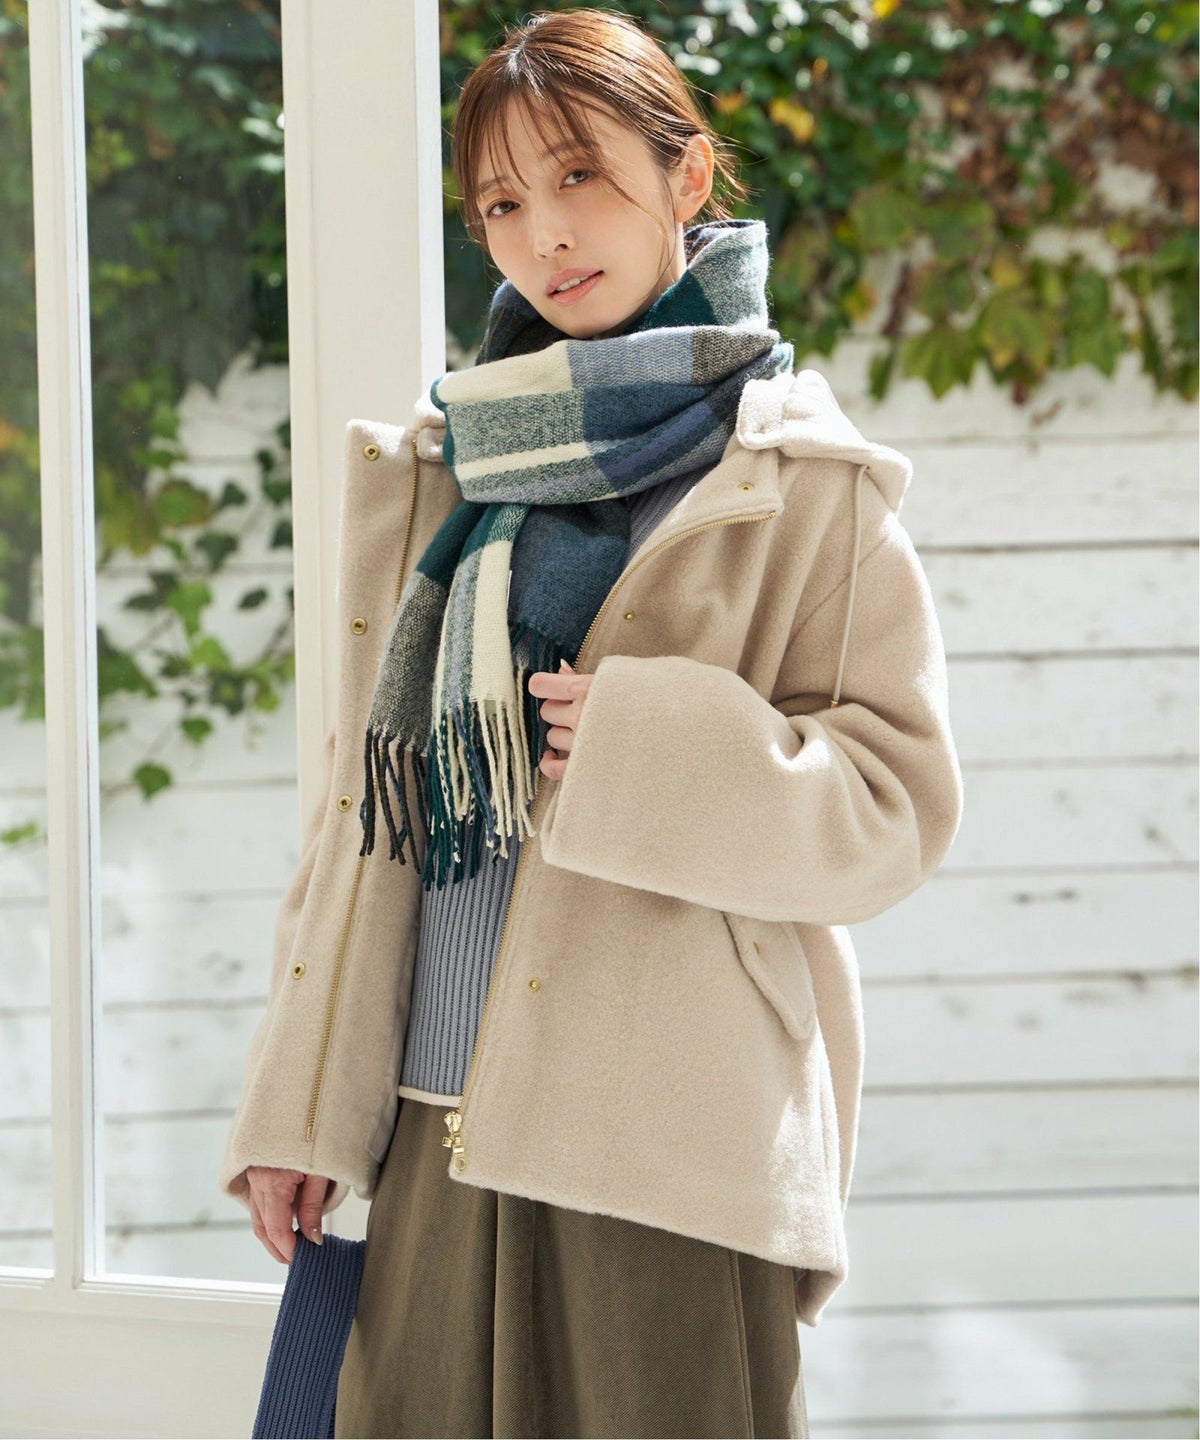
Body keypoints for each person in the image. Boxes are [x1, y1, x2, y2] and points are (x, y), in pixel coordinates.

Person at [218, 8, 964, 1438]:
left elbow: (894, 810)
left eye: (580, 178)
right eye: (502, 203)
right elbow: (361, 811)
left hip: (666, 1153)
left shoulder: (802, 483)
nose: (545, 233)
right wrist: (297, 1102)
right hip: (430, 1126)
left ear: (686, 177)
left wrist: (653, 750)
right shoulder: (445, 471)